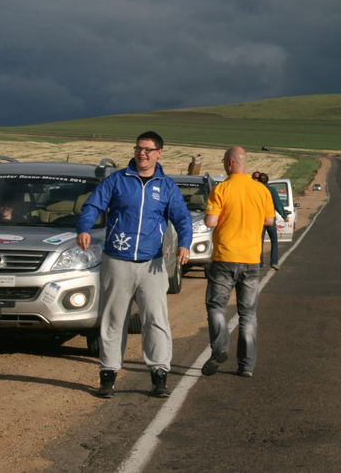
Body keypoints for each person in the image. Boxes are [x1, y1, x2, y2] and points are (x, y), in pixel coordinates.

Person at [77, 131, 192, 398]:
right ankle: (108, 375)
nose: (142, 153)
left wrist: (185, 243)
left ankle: (159, 374)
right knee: (113, 319)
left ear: (159, 153)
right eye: (139, 148)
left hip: (152, 264)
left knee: (155, 320)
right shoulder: (117, 180)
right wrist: (84, 227)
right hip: (117, 261)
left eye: (149, 150)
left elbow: (182, 218)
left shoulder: (166, 186)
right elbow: (93, 205)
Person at [202, 147, 274, 378]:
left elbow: (211, 222)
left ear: (231, 163)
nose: (223, 163)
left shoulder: (221, 189)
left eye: (224, 160)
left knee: (216, 306)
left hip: (225, 257)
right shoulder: (261, 190)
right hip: (252, 259)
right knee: (248, 314)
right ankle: (246, 365)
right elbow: (269, 220)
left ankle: (221, 348)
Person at [256, 172, 288, 270]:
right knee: (274, 240)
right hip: (270, 219)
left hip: (259, 219)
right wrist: (284, 215)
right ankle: (274, 261)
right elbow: (278, 204)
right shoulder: (272, 190)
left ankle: (259, 262)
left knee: (259, 241)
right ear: (267, 180)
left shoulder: (256, 190)